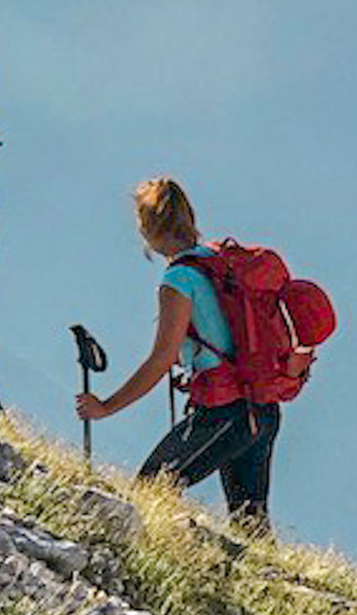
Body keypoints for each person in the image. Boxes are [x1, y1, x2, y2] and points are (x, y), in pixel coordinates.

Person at [76, 177, 279, 525]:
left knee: (149, 489)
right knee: (250, 521)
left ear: (147, 226)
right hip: (262, 405)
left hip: (223, 412)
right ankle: (261, 580)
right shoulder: (219, 261)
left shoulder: (178, 280)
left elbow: (161, 360)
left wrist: (105, 407)